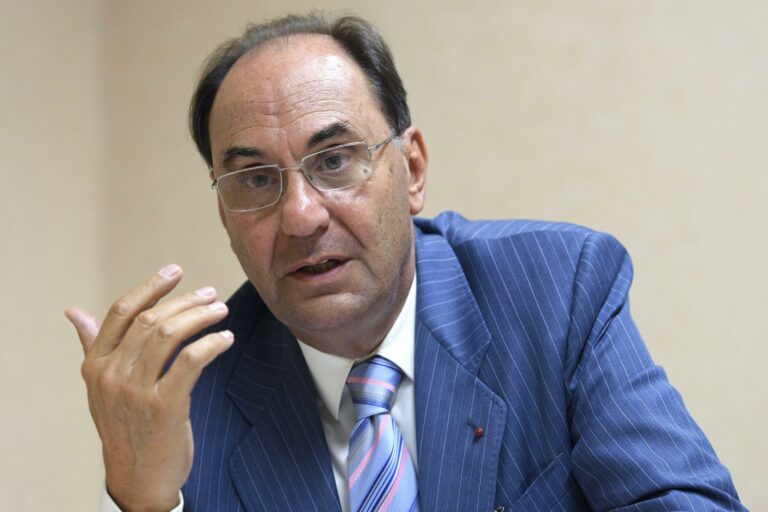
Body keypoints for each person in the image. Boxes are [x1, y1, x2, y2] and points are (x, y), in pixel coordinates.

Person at [65, 12, 745, 512]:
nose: (300, 216)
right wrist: (139, 501)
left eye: (335, 160)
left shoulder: (556, 290)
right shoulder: (187, 398)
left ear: (412, 169)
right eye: (256, 179)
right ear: (224, 214)